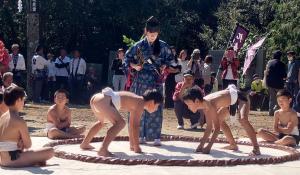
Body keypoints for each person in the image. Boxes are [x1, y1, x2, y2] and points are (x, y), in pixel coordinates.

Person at [124, 16, 173, 146]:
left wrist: (165, 66)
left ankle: (155, 135)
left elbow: (171, 61)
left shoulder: (163, 46)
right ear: (146, 32)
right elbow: (126, 60)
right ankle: (138, 135)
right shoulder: (138, 46)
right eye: (151, 34)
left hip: (156, 80)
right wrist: (134, 66)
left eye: (155, 34)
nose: (153, 37)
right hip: (140, 80)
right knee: (138, 106)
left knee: (155, 107)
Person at [80, 87, 163, 157]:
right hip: (105, 100)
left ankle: (85, 143)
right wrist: (137, 146)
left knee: (101, 122)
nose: (156, 109)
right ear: (152, 102)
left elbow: (132, 125)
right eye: (157, 106)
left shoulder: (137, 101)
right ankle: (103, 149)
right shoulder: (140, 104)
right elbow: (135, 126)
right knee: (120, 123)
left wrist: (132, 145)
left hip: (97, 98)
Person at [182, 85, 260, 155]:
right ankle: (233, 145)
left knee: (243, 119)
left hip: (241, 97)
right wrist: (201, 145)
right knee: (219, 120)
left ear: (196, 101)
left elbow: (217, 128)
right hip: (230, 102)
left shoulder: (209, 104)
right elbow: (209, 128)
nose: (188, 107)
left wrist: (209, 147)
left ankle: (256, 148)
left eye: (189, 104)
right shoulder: (204, 106)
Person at [0, 86, 54, 167]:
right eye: (23, 99)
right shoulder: (19, 121)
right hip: (13, 159)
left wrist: (19, 141)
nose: (24, 102)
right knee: (50, 151)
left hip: (2, 158)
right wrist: (21, 142)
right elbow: (28, 145)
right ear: (18, 100)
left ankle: (33, 161)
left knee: (36, 153)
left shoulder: (3, 117)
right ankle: (33, 161)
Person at [264, 50, 286, 116]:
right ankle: (279, 112)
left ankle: (270, 112)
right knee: (280, 98)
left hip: (270, 83)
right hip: (279, 84)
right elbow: (284, 75)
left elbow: (266, 72)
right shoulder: (282, 64)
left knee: (272, 98)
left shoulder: (269, 62)